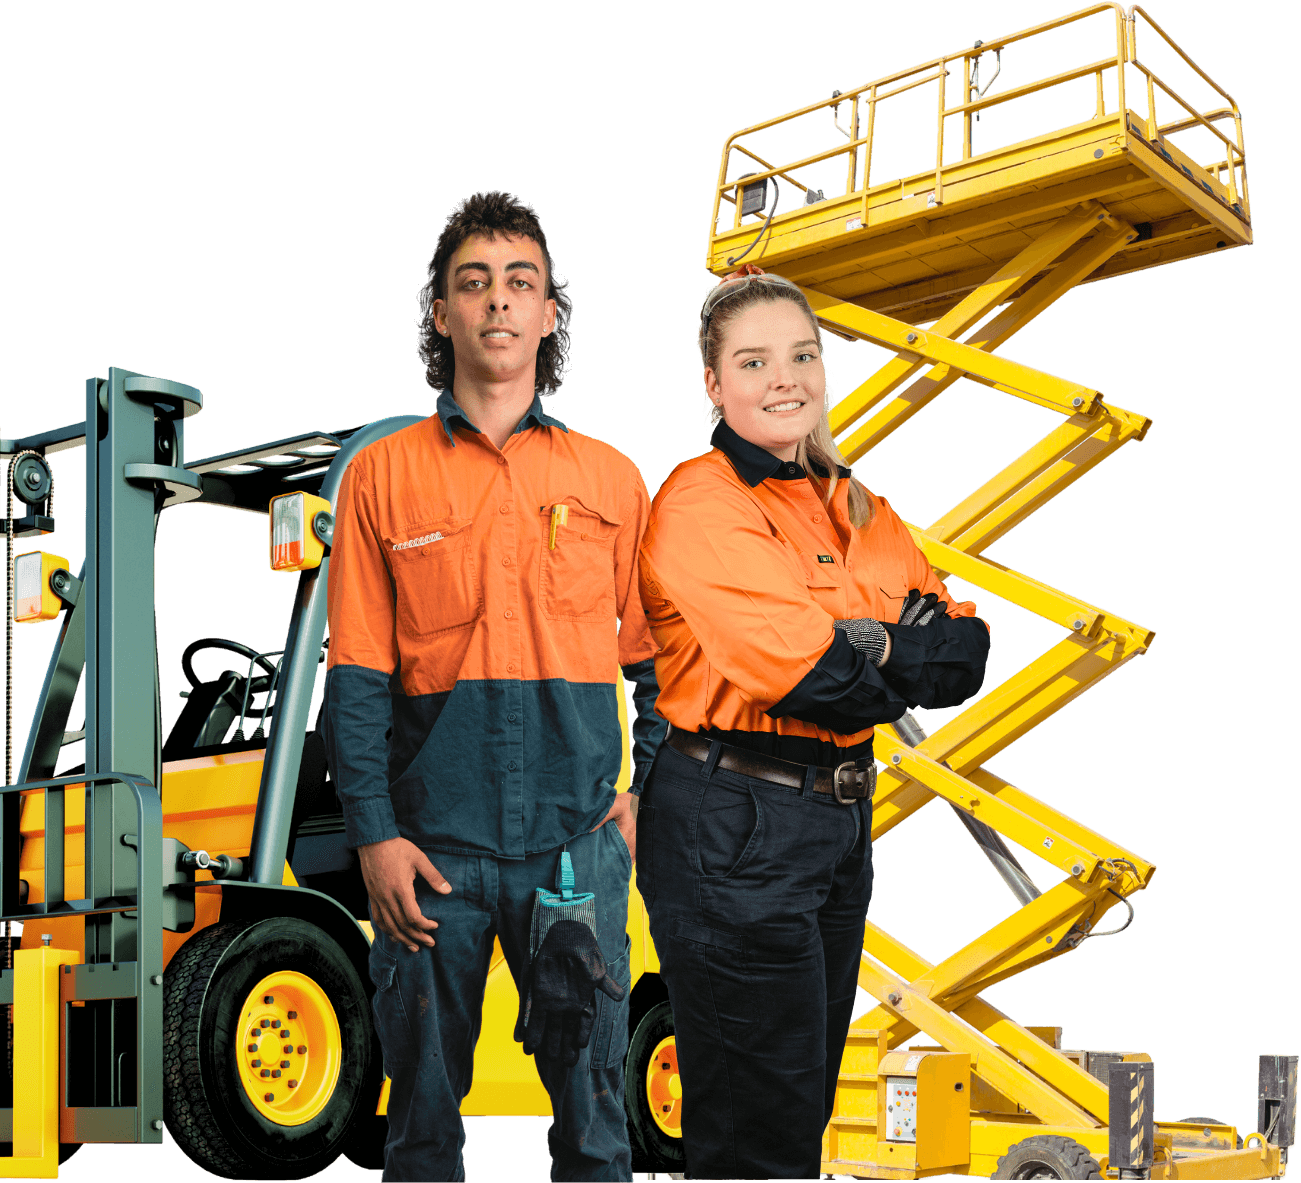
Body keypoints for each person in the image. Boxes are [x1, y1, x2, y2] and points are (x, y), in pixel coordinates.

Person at [321, 190, 666, 1182]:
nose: (499, 304)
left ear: (551, 311)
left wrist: (642, 793)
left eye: (521, 284)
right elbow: (355, 678)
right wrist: (376, 837)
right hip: (435, 859)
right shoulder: (383, 478)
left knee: (598, 1128)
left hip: (577, 848)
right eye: (475, 285)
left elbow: (653, 665)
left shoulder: (611, 479)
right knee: (422, 1132)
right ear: (441, 312)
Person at [635, 266, 991, 1178]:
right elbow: (813, 680)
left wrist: (868, 646)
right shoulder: (701, 505)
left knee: (797, 1110)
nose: (784, 378)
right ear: (713, 386)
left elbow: (967, 650)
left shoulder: (854, 503)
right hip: (733, 819)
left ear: (825, 372)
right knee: (760, 1129)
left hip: (835, 822)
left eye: (803, 355)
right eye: (753, 362)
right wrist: (885, 646)